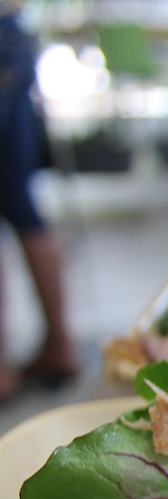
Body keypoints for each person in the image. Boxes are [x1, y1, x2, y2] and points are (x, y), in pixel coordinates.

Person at [0, 5, 77, 400]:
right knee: (20, 203)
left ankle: (2, 369)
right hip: (10, 31)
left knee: (18, 204)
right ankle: (60, 346)